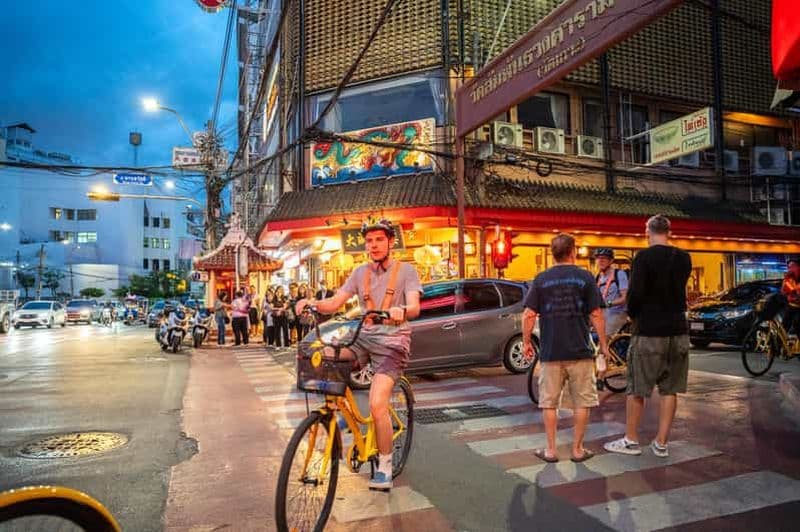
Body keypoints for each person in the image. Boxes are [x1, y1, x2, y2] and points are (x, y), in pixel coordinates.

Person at [295, 219, 421, 491]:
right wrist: (312, 304)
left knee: (377, 405)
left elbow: (414, 306)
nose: (373, 245)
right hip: (362, 338)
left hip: (392, 342)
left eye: (379, 239)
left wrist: (403, 311)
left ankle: (385, 467)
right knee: (325, 354)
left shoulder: (407, 271)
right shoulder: (359, 272)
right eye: (369, 240)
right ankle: (337, 416)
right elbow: (335, 303)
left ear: (390, 242)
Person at [605, 214, 692, 459]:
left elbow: (635, 296)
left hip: (649, 330)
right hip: (678, 330)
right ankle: (661, 443)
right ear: (669, 232)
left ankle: (631, 439)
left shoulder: (643, 258)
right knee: (670, 389)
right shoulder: (684, 258)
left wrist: (633, 315)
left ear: (647, 232)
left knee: (637, 389)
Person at [522, 233, 608, 463]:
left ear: (553, 253)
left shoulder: (541, 279)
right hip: (580, 350)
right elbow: (596, 314)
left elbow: (528, 315)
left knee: (549, 402)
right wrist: (604, 345)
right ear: (573, 252)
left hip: (551, 351)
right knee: (582, 401)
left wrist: (527, 342)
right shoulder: (586, 278)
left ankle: (551, 450)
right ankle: (578, 450)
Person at [594, 248, 629, 337]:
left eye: (604, 258)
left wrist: (608, 303)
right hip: (602, 314)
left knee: (604, 338)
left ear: (611, 261)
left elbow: (625, 298)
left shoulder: (619, 274)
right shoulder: (598, 277)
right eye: (598, 258)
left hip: (617, 314)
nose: (600, 261)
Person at [782, 258, 800, 337]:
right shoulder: (789, 278)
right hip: (791, 306)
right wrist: (786, 279)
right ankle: (779, 345)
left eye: (792, 267)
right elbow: (784, 291)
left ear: (798, 267)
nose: (790, 269)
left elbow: (796, 291)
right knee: (784, 326)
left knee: (797, 325)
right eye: (789, 267)